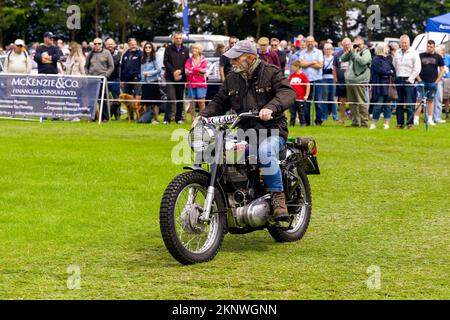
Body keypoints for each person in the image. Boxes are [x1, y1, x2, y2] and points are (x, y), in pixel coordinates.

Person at [196, 40, 296, 221]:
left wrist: (271, 107)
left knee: (265, 152)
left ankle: (278, 198)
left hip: (272, 130)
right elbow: (219, 101)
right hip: (245, 133)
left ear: (250, 58)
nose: (232, 62)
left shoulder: (271, 72)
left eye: (236, 58)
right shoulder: (232, 79)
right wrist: (203, 116)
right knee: (221, 153)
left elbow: (287, 93)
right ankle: (227, 196)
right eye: (231, 58)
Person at [341, 36, 372, 128]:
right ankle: (355, 122)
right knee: (352, 103)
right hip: (350, 81)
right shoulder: (354, 51)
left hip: (360, 81)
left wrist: (354, 53)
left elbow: (363, 62)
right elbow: (343, 58)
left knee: (361, 102)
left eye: (358, 43)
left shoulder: (366, 52)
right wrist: (349, 50)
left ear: (362, 43)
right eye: (355, 42)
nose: (356, 44)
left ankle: (364, 123)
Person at [413, 40, 445, 126]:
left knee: (430, 101)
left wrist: (437, 81)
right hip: (421, 82)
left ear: (434, 47)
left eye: (431, 47)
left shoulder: (438, 57)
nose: (429, 48)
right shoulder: (420, 56)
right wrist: (419, 80)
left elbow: (442, 70)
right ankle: (416, 119)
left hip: (433, 83)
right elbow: (415, 69)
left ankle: (430, 119)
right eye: (428, 46)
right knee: (419, 100)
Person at [393, 35, 421, 129]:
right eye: (402, 42)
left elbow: (417, 68)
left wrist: (410, 79)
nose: (404, 44)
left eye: (405, 42)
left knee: (410, 103)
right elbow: (394, 65)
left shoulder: (414, 53)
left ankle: (410, 124)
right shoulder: (397, 52)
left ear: (409, 43)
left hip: (409, 80)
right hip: (399, 79)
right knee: (399, 103)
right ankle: (400, 123)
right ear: (400, 43)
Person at [85, 38, 115, 122]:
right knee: (92, 99)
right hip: (92, 79)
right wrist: (88, 75)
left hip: (102, 78)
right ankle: (92, 116)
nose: (97, 45)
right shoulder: (90, 53)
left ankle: (104, 117)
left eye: (99, 43)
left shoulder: (107, 53)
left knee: (103, 98)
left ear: (102, 44)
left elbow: (111, 66)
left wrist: (106, 75)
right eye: (95, 44)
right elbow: (86, 66)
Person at [163, 31, 189, 124]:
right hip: (170, 76)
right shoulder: (168, 49)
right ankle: (167, 119)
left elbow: (187, 63)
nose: (178, 40)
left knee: (179, 98)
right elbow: (165, 62)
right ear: (173, 39)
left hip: (181, 77)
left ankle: (178, 118)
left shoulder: (186, 49)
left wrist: (180, 71)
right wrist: (173, 71)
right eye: (176, 38)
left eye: (180, 38)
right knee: (170, 97)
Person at [370, 43, 395, 130]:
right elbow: (381, 70)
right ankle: (374, 123)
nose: (388, 49)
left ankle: (386, 123)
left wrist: (389, 72)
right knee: (378, 104)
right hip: (379, 84)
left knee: (388, 105)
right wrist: (389, 72)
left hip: (388, 84)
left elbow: (393, 70)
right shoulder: (376, 59)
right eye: (386, 47)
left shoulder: (389, 58)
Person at [300, 36, 324, 126]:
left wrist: (307, 63)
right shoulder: (302, 52)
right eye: (308, 41)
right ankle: (307, 122)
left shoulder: (319, 52)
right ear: (306, 43)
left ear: (314, 42)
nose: (310, 43)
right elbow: (302, 64)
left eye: (311, 41)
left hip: (317, 79)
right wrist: (313, 62)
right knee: (306, 102)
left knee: (318, 102)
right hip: (306, 81)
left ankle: (318, 122)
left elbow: (320, 65)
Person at [185, 43, 208, 122]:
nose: (194, 50)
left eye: (196, 48)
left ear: (200, 50)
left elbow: (204, 70)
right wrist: (197, 70)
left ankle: (202, 118)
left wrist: (194, 69)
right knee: (192, 103)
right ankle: (193, 119)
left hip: (201, 84)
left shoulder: (203, 59)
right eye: (193, 48)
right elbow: (187, 71)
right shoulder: (189, 59)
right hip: (191, 83)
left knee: (201, 102)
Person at [141, 41, 161, 124]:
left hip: (153, 81)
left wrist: (149, 73)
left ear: (152, 48)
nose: (147, 49)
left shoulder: (154, 58)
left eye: (149, 47)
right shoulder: (143, 58)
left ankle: (156, 118)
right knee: (146, 102)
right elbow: (141, 70)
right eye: (146, 47)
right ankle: (147, 118)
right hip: (145, 83)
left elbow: (158, 70)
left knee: (155, 101)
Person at [333, 38, 352, 124]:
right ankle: (341, 118)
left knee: (352, 100)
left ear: (350, 44)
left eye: (348, 44)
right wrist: (336, 79)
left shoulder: (354, 54)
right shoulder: (337, 54)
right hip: (341, 81)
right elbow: (334, 68)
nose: (347, 46)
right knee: (342, 101)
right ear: (342, 45)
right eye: (345, 44)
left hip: (352, 81)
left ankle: (353, 117)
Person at [288, 60, 310, 127]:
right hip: (292, 98)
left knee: (301, 112)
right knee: (292, 112)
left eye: (293, 67)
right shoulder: (292, 76)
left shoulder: (303, 76)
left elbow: (308, 85)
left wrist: (306, 95)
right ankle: (292, 124)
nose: (292, 68)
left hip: (300, 97)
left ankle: (302, 123)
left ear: (297, 67)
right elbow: (289, 85)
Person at [105, 37, 122, 120]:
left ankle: (117, 114)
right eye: (108, 44)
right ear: (105, 45)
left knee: (117, 98)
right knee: (105, 97)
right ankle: (107, 114)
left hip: (115, 78)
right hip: (105, 78)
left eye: (111, 44)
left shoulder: (118, 53)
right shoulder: (103, 52)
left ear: (114, 45)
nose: (110, 46)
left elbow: (115, 62)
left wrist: (105, 61)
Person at [321, 43, 338, 122]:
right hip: (324, 79)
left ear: (332, 50)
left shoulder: (335, 58)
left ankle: (335, 116)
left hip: (332, 79)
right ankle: (324, 116)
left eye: (329, 49)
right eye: (326, 49)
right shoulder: (322, 58)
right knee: (325, 98)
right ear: (324, 50)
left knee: (333, 98)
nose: (328, 51)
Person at [432, 45, 447, 124]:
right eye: (442, 50)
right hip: (436, 81)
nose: (443, 52)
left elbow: (445, 70)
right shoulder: (437, 59)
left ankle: (436, 117)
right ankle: (433, 118)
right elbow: (442, 71)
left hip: (439, 81)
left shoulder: (441, 59)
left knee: (437, 100)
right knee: (433, 100)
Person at [442, 47, 450, 120]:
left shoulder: (448, 57)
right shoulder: (437, 56)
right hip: (439, 79)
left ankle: (447, 113)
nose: (442, 51)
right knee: (443, 97)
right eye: (441, 49)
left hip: (447, 79)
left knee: (447, 97)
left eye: (443, 49)